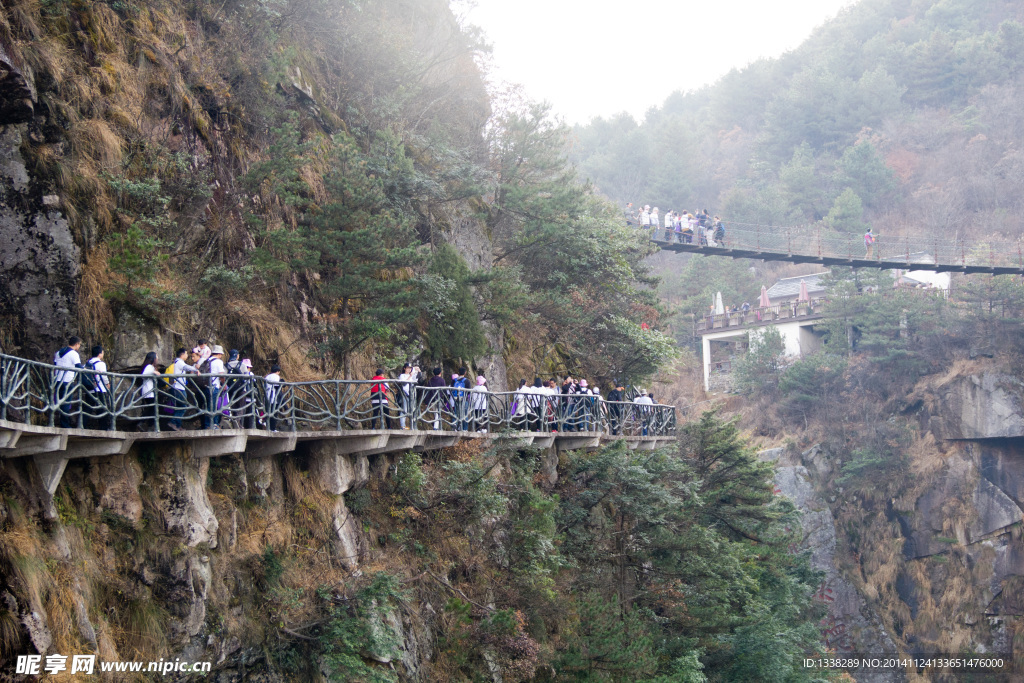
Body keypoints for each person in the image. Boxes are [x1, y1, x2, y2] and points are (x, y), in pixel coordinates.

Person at [53, 336, 84, 428]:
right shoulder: (73, 354)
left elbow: (55, 365)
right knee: (66, 403)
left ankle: (56, 422)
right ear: (77, 344)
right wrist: (85, 369)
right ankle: (65, 425)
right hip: (68, 380)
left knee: (59, 402)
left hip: (57, 380)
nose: (79, 347)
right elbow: (78, 367)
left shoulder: (58, 353)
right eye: (79, 345)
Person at [169, 347, 199, 431]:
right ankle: (173, 422)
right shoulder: (179, 362)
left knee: (180, 407)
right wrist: (196, 369)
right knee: (183, 406)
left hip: (179, 387)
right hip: (179, 388)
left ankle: (178, 426)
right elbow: (186, 367)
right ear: (182, 354)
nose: (187, 355)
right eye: (186, 353)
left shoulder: (177, 362)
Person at [85, 345, 111, 430]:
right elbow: (104, 376)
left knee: (87, 408)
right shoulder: (100, 363)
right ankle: (103, 427)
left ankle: (82, 425)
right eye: (102, 352)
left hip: (89, 389)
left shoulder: (87, 363)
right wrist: (107, 383)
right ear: (99, 354)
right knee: (102, 408)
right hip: (100, 389)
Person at [204, 345, 226, 429]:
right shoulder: (218, 362)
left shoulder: (207, 360)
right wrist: (224, 384)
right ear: (220, 354)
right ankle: (214, 424)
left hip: (206, 385)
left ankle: (207, 424)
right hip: (214, 386)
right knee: (214, 406)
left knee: (208, 406)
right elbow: (221, 374)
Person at [137, 352, 160, 431]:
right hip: (149, 391)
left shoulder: (150, 366)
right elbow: (144, 374)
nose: (157, 359)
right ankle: (143, 423)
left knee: (151, 408)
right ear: (153, 359)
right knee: (152, 408)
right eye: (156, 357)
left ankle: (148, 426)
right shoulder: (149, 366)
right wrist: (153, 372)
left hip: (149, 391)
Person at [397, 363, 420, 429]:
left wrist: (418, 371)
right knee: (404, 410)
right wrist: (410, 376)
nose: (409, 369)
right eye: (407, 368)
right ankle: (402, 426)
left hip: (411, 395)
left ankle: (413, 426)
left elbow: (418, 378)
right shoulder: (402, 375)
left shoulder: (412, 376)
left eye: (410, 368)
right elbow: (403, 384)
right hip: (404, 394)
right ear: (404, 368)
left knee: (413, 410)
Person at [265, 365, 282, 431]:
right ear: (278, 371)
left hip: (267, 397)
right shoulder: (276, 376)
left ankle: (267, 427)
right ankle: (273, 428)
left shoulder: (267, 376)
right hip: (274, 397)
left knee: (268, 412)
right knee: (274, 413)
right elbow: (277, 386)